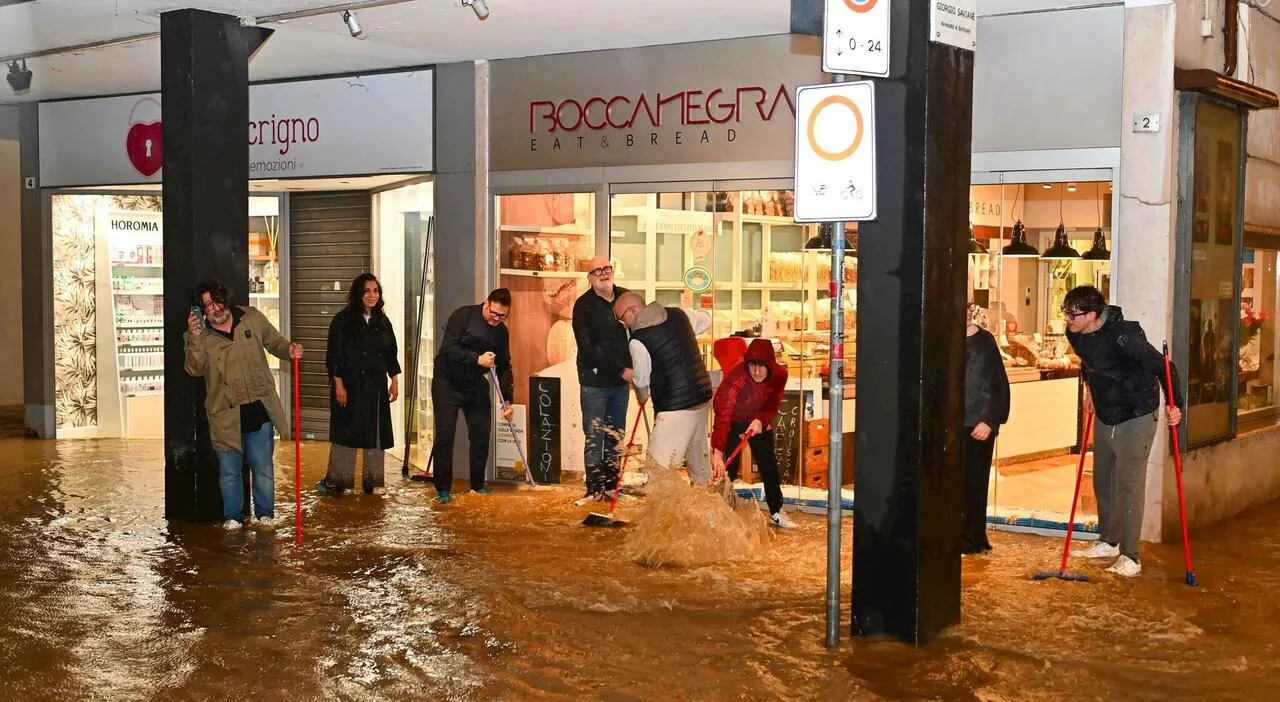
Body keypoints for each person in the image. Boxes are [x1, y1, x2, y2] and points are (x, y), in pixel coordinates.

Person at [1062, 285, 1183, 577]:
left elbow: (1164, 367)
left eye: (1072, 314)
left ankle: (1131, 556)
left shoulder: (1124, 336)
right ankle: (1109, 541)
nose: (1067, 319)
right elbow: (1087, 364)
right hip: (1106, 411)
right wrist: (1090, 391)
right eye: (1065, 313)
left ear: (1092, 315)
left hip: (1137, 412)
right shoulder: (1075, 333)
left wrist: (1175, 404)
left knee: (1129, 485)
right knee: (1103, 480)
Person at [184, 280, 303, 530]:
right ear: (201, 311)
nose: (214, 309)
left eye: (217, 301)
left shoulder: (251, 318)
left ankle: (265, 514)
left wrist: (290, 349)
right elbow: (193, 370)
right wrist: (194, 339)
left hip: (259, 409)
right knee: (229, 472)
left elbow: (275, 342)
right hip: (224, 415)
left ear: (225, 299)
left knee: (263, 468)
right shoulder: (199, 336)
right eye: (207, 306)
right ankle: (233, 517)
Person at [614, 291, 714, 486]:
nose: (624, 324)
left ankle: (663, 516)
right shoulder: (679, 314)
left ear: (633, 311)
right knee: (700, 470)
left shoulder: (638, 339)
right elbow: (706, 320)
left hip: (675, 407)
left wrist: (642, 397)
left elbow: (641, 379)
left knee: (658, 475)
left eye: (622, 319)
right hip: (701, 398)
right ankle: (706, 511)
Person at [317, 274, 401, 496]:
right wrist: (339, 386)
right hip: (349, 386)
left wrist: (394, 381)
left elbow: (391, 353)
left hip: (375, 388)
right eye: (367, 291)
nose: (372, 296)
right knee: (346, 433)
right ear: (358, 293)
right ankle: (337, 481)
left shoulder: (382, 321)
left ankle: (371, 482)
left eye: (376, 291)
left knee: (375, 434)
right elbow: (334, 356)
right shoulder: (342, 320)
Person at [431, 288, 514, 503]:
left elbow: (504, 366)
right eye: (493, 314)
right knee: (445, 435)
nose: (496, 320)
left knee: (480, 434)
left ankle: (478, 485)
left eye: (502, 316)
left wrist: (507, 400)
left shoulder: (501, 331)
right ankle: (442, 489)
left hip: (475, 383)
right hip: (447, 382)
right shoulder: (463, 315)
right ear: (486, 304)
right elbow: (448, 348)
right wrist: (476, 358)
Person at [710, 339, 795, 529]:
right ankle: (724, 512)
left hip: (757, 420)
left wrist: (761, 420)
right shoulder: (737, 377)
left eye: (761, 367)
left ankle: (776, 510)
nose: (756, 372)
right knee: (727, 469)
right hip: (731, 418)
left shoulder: (780, 375)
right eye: (752, 366)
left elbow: (773, 402)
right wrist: (717, 451)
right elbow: (723, 414)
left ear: (770, 366)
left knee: (769, 465)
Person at [571, 256, 632, 505]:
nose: (603, 273)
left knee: (616, 434)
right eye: (597, 270)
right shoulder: (583, 306)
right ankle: (594, 488)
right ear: (590, 277)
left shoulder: (627, 298)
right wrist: (621, 370)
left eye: (607, 268)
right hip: (594, 381)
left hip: (621, 382)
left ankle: (611, 487)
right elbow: (588, 348)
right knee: (595, 435)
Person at [961, 303, 1010, 554]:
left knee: (974, 485)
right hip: (946, 427)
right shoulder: (937, 340)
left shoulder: (985, 341)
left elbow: (999, 384)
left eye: (969, 306)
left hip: (977, 426)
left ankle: (971, 540)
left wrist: (990, 420)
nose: (967, 311)